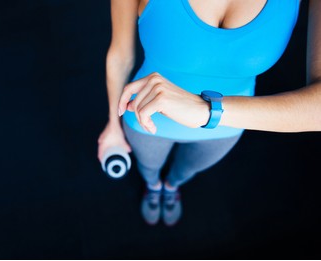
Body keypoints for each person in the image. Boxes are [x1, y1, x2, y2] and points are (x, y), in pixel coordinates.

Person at [98, 0, 321, 226]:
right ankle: (153, 187)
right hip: (146, 117)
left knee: (185, 171)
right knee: (148, 168)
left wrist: (207, 110)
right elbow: (120, 56)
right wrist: (112, 125)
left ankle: (171, 187)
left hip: (227, 125)